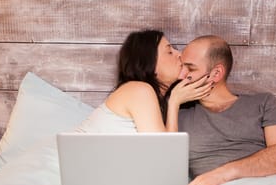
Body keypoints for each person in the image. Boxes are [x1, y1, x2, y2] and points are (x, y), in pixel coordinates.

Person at [178, 35, 276, 185]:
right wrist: (173, 103)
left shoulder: (263, 103)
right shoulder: (179, 114)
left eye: (190, 69)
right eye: (181, 67)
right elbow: (164, 166)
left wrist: (220, 175)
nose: (181, 75)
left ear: (216, 73)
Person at [76, 29, 213, 133]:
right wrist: (174, 102)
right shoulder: (139, 90)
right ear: (150, 65)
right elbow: (163, 158)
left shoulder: (154, 100)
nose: (179, 54)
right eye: (169, 52)